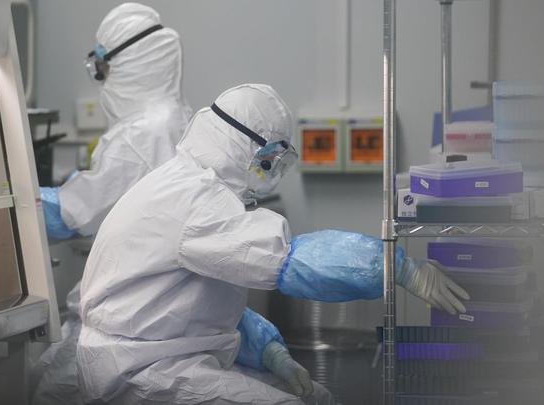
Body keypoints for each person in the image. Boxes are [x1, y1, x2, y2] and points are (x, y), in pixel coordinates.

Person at [76, 83, 469, 405]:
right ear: (241, 143)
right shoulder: (196, 201)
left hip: (161, 352)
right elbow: (291, 261)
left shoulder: (191, 184)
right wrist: (397, 268)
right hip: (137, 369)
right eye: (270, 158)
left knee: (316, 397)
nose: (273, 170)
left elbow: (192, 306)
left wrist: (269, 352)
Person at [33, 3, 192, 404]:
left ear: (128, 65)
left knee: (54, 391)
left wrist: (22, 205)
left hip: (123, 322)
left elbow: (72, 214)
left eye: (102, 70)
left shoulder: (139, 136)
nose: (101, 82)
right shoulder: (180, 120)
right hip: (172, 314)